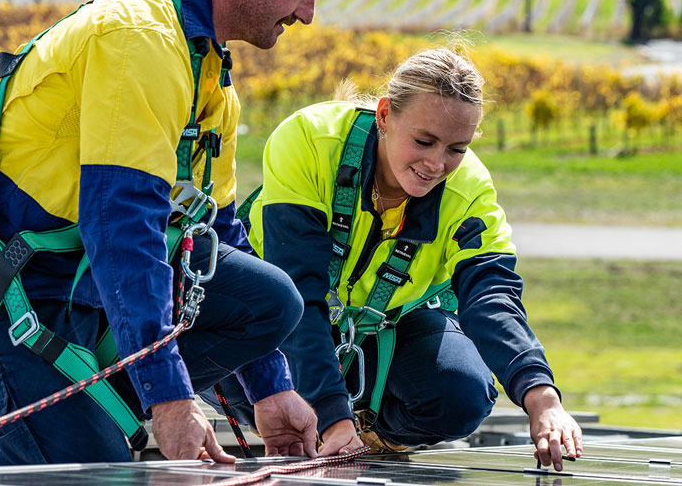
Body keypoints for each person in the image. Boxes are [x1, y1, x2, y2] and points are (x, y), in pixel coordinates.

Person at [0, 0, 347, 468]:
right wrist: (170, 399)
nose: (308, 14)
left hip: (73, 285)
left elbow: (215, 239)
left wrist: (271, 389)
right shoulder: (141, 43)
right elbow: (122, 231)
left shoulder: (210, 76)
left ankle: (84, 418)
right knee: (89, 468)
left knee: (270, 300)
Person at [239, 47, 583, 471]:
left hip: (383, 330)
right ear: (384, 115)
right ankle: (329, 426)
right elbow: (300, 291)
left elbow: (492, 297)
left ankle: (369, 440)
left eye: (457, 148)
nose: (436, 164)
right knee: (247, 375)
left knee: (462, 393)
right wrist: (331, 415)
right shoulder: (309, 141)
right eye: (423, 141)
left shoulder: (469, 189)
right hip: (276, 318)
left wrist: (543, 399)